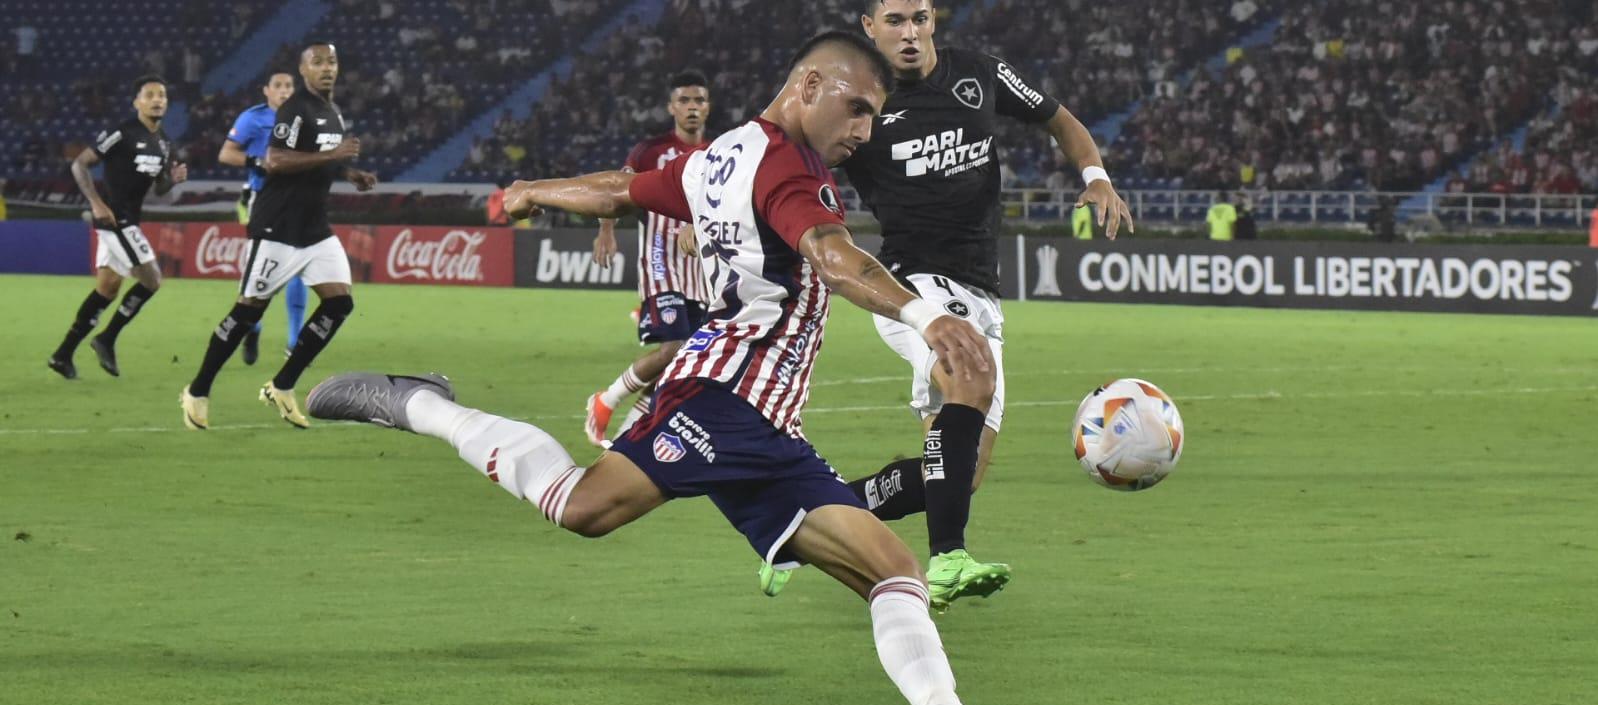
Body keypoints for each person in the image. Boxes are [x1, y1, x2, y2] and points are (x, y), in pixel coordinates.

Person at [304, 32, 992, 705]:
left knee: (895, 571)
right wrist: (926, 316)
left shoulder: (720, 157)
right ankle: (419, 404)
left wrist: (534, 189)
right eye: (860, 108)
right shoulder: (786, 166)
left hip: (769, 424)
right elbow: (831, 256)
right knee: (583, 505)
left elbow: (620, 190)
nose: (866, 131)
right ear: (810, 87)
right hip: (726, 393)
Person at [808, 0, 1133, 609]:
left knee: (959, 472)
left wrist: (1096, 176)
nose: (910, 33)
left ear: (934, 21)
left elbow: (1058, 117)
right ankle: (947, 558)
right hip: (913, 287)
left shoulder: (977, 74)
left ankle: (809, 516)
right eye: (896, 21)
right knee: (966, 382)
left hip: (980, 286)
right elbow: (791, 153)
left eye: (920, 19)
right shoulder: (858, 105)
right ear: (869, 28)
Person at [179, 42, 377, 430]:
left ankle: (282, 385)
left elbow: (318, 160)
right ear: (303, 71)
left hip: (315, 229)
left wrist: (348, 173)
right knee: (247, 312)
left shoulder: (332, 112)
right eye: (317, 62)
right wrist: (335, 157)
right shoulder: (295, 109)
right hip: (277, 228)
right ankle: (198, 390)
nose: (326, 68)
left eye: (332, 61)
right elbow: (275, 160)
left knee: (339, 305)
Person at [584, 70, 714, 447]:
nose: (692, 107)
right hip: (661, 264)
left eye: (699, 100)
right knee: (673, 349)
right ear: (672, 107)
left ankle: (627, 437)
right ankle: (605, 401)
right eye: (685, 101)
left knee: (682, 361)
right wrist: (606, 230)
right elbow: (615, 190)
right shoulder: (650, 151)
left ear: (708, 107)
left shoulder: (717, 150)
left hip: (702, 273)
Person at [48, 75, 188, 380]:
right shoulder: (121, 132)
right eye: (149, 94)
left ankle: (62, 354)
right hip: (115, 220)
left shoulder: (164, 142)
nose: (157, 99)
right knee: (152, 279)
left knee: (108, 289)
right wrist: (97, 203)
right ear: (136, 102)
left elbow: (159, 187)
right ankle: (107, 338)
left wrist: (171, 180)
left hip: (129, 219)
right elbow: (79, 164)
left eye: (162, 95)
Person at [218, 71, 309, 365]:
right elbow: (226, 154)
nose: (284, 91)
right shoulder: (252, 118)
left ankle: (295, 341)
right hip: (264, 201)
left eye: (289, 86)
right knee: (259, 272)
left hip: (297, 200)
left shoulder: (304, 118)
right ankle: (252, 327)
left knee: (299, 266)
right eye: (278, 86)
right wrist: (255, 161)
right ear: (266, 91)